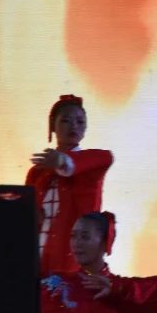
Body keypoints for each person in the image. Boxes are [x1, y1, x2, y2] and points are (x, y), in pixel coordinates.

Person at [26, 95, 113, 276]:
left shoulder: (92, 164)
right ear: (53, 125)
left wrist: (62, 161)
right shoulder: (37, 172)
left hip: (73, 256)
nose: (74, 126)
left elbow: (106, 158)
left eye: (80, 122)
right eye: (66, 120)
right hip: (39, 253)